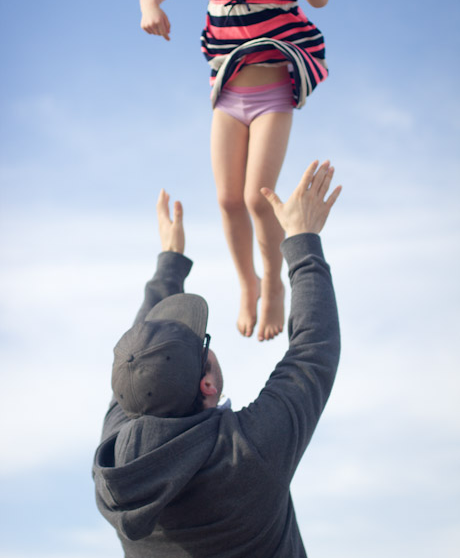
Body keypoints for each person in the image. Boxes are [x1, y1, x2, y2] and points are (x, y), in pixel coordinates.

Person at [93, 160, 341, 558]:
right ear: (206, 385)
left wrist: (170, 264)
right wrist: (303, 239)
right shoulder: (246, 455)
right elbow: (314, 352)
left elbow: (139, 352)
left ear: (126, 396)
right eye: (202, 343)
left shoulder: (114, 470)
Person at [139, 0, 330, 341]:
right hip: (227, 96)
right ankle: (248, 283)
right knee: (227, 200)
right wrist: (151, 8)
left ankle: (275, 285)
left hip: (273, 97)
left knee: (256, 198)